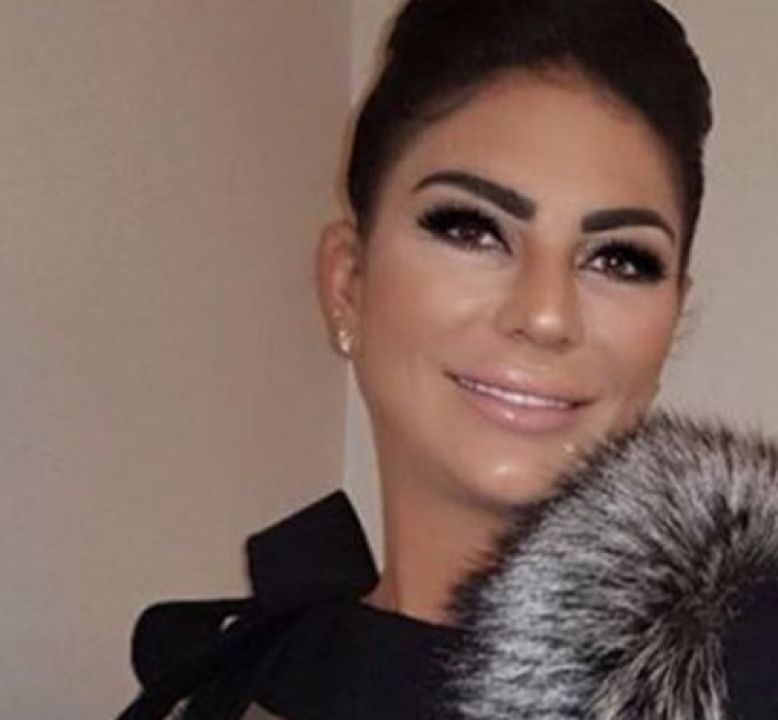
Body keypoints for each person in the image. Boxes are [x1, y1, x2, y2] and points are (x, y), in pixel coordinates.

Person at [120, 0, 713, 717]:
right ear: (348, 283)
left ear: (670, 318)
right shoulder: (227, 688)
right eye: (471, 229)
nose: (546, 315)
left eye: (620, 260)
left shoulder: (767, 692)